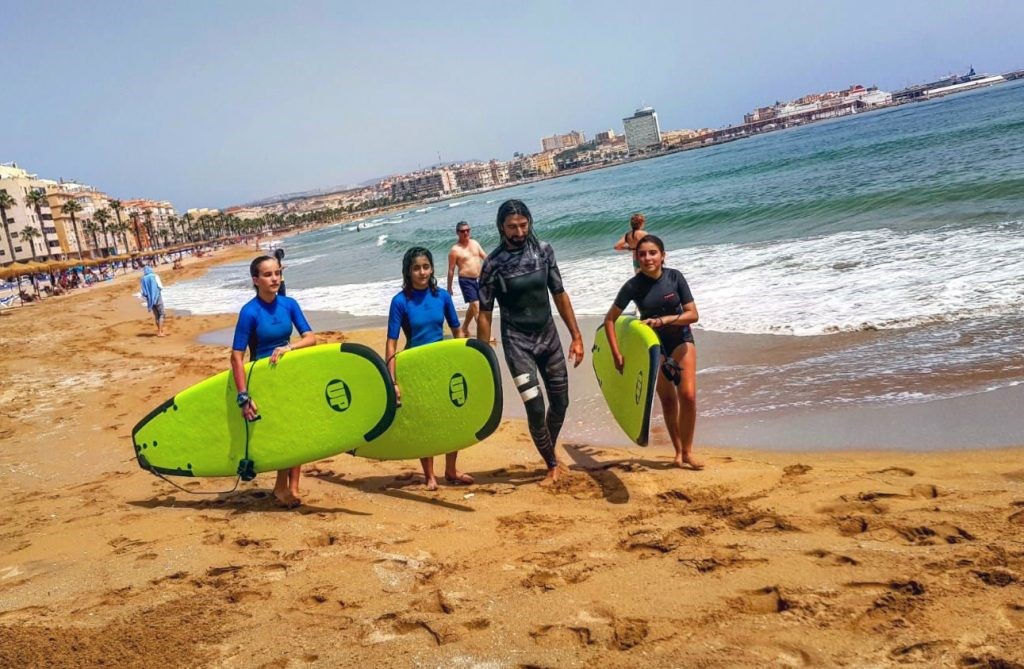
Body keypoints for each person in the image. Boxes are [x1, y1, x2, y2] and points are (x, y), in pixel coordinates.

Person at [477, 200, 585, 485]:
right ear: (501, 227)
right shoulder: (492, 264)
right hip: (517, 343)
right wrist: (483, 354)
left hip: (548, 338)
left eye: (523, 225)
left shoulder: (543, 252)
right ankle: (551, 464)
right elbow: (485, 314)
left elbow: (560, 294)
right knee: (536, 406)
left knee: (560, 402)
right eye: (512, 227)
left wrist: (576, 335)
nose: (519, 232)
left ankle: (547, 449)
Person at [603, 235, 703, 470]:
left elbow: (693, 314)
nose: (648, 258)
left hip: (681, 339)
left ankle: (688, 452)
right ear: (637, 258)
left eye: (653, 253)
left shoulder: (674, 277)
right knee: (668, 400)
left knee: (687, 396)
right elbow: (609, 320)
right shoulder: (633, 286)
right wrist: (617, 354)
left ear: (662, 255)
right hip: (653, 346)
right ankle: (678, 452)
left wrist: (665, 319)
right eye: (642, 254)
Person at [230, 255, 316, 507]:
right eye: (267, 275)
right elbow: (236, 356)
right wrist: (243, 395)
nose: (275, 278)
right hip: (265, 381)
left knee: (298, 430)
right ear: (255, 280)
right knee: (285, 433)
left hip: (289, 375)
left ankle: (293, 487)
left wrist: (289, 347)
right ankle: (281, 487)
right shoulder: (250, 312)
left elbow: (311, 338)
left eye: (277, 273)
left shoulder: (289, 304)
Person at [386, 246, 470, 491]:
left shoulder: (442, 296)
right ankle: (429, 475)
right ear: (408, 272)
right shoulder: (400, 302)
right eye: (416, 268)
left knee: (452, 417)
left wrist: (465, 360)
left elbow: (456, 331)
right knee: (425, 421)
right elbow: (391, 343)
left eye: (426, 267)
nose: (422, 272)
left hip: (442, 364)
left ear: (432, 268)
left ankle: (451, 469)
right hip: (415, 367)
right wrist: (393, 381)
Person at [446, 221, 488, 338]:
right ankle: (484, 336)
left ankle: (464, 327)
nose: (466, 233)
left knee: (473, 306)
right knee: (476, 307)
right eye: (463, 231)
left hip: (480, 279)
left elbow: (485, 257)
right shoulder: (455, 250)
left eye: (468, 230)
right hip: (466, 281)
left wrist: (497, 268)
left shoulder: (474, 243)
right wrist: (449, 288)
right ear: (457, 233)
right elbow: (451, 270)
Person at [139, 266, 167, 337]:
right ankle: (160, 332)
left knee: (156, 315)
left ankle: (160, 330)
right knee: (162, 314)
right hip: (157, 296)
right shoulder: (155, 276)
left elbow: (142, 292)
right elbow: (160, 287)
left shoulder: (143, 279)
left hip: (149, 299)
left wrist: (148, 297)